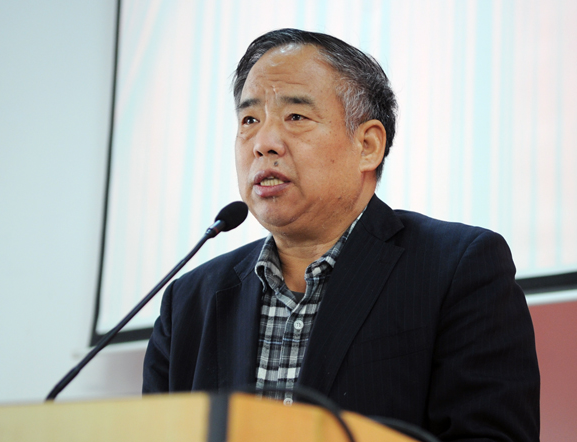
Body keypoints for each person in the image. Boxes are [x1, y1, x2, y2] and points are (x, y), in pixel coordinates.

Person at [143, 29, 539, 441]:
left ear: (368, 145)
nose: (263, 143)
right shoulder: (188, 303)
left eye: (295, 117)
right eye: (249, 120)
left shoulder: (457, 269)